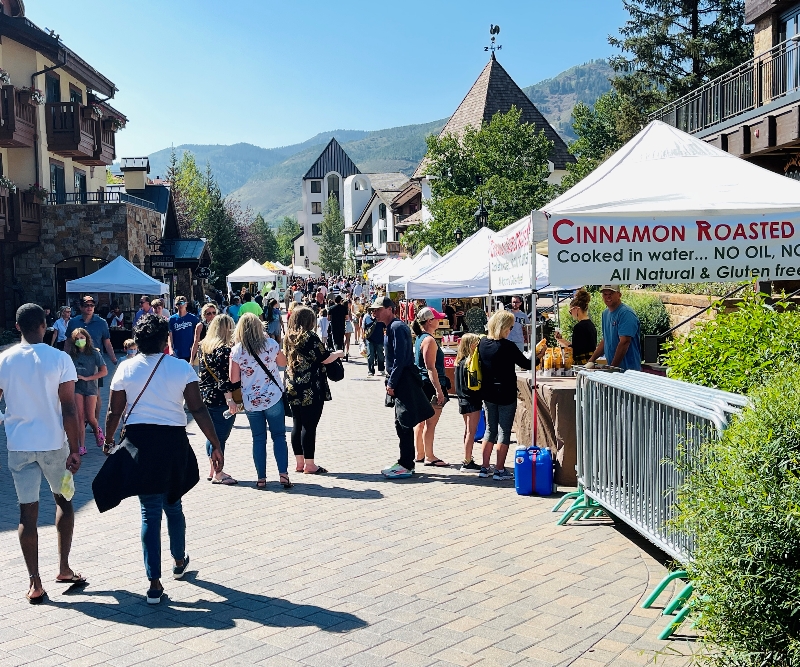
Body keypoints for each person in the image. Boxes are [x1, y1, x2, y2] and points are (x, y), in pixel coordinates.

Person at [97, 314, 223, 604]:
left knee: (149, 513)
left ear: (138, 342)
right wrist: (214, 444)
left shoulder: (125, 369)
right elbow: (198, 409)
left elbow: (114, 411)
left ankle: (154, 583)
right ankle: (179, 560)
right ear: (166, 340)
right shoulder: (180, 368)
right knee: (174, 504)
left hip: (141, 444)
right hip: (173, 444)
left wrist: (109, 439)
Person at [0, 304, 85, 604]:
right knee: (64, 500)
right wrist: (75, 449)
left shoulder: (4, 360)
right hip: (53, 444)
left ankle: (34, 583)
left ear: (17, 326)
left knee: (27, 513)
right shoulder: (59, 358)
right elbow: (69, 407)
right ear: (44, 324)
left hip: (19, 445)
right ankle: (63, 568)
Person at [372, 297, 434, 478]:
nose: (374, 313)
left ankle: (406, 464)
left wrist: (392, 382)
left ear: (390, 309)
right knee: (401, 422)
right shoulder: (391, 327)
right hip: (400, 378)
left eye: (378, 309)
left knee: (404, 422)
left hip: (404, 379)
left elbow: (401, 358)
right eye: (373, 310)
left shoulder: (397, 327)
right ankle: (404, 461)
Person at [229, 313, 291, 489]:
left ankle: (261, 478)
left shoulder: (237, 350)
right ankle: (283, 475)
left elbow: (233, 379)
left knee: (258, 438)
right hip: (273, 397)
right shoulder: (270, 345)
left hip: (251, 401)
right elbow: (283, 362)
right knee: (279, 436)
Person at [284, 306, 343, 475]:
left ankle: (299, 462)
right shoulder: (310, 336)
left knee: (297, 423)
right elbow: (324, 358)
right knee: (310, 426)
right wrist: (338, 354)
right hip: (311, 386)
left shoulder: (288, 337)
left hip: (292, 385)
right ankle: (310, 464)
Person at [478, 310, 532, 480]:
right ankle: (500, 469)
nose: (511, 329)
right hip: (506, 392)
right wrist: (538, 354)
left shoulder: (483, 343)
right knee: (504, 431)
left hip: (488, 392)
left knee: (490, 430)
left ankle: (485, 467)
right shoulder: (508, 346)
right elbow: (526, 364)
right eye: (510, 326)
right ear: (504, 327)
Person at [198, 314, 239, 485]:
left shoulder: (205, 348)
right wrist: (230, 399)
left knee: (211, 435)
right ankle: (219, 472)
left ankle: (213, 468)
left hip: (206, 397)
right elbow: (224, 377)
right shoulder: (224, 350)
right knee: (219, 436)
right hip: (221, 399)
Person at [66, 295, 118, 427]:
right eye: (86, 305)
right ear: (81, 307)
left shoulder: (101, 322)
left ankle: (94, 420)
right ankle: (82, 418)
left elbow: (106, 341)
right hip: (77, 360)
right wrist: (64, 358)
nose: (89, 308)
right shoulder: (73, 322)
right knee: (77, 391)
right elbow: (68, 342)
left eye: (92, 305)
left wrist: (113, 358)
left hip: (94, 361)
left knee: (95, 393)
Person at [412, 307, 449, 467]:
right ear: (429, 321)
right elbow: (430, 367)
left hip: (422, 384)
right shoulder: (429, 340)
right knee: (430, 423)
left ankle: (420, 454)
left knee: (420, 422)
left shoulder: (420, 338)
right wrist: (439, 390)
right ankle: (429, 455)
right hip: (430, 385)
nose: (439, 321)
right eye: (437, 318)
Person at [65, 328, 108, 455]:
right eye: (77, 339)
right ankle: (81, 446)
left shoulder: (94, 353)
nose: (80, 341)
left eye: (82, 338)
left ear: (87, 338)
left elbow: (104, 371)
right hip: (77, 388)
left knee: (90, 417)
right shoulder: (71, 355)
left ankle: (97, 430)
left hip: (90, 387)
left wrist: (87, 378)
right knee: (80, 417)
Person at [586, 285, 642, 371]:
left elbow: (624, 342)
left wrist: (612, 367)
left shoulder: (626, 313)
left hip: (629, 371)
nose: (608, 296)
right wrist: (591, 360)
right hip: (615, 372)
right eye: (605, 294)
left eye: (611, 293)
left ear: (619, 295)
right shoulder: (605, 314)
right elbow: (606, 340)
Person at [454, 334, 483, 472]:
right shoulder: (470, 362)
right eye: (476, 343)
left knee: (467, 431)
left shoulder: (458, 362)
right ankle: (467, 461)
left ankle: (467, 457)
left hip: (462, 399)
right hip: (472, 399)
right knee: (472, 431)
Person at [555, 288, 597, 365]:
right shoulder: (591, 325)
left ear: (576, 309)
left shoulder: (579, 327)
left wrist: (561, 341)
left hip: (582, 364)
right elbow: (578, 346)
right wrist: (561, 340)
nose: (571, 314)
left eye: (570, 311)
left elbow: (574, 349)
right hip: (590, 363)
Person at [168, 296, 199, 362]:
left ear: (186, 304)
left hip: (190, 352)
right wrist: (170, 348)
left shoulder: (193, 318)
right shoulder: (172, 319)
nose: (180, 305)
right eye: (178, 304)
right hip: (177, 352)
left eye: (182, 303)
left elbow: (197, 335)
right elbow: (170, 335)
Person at [363, 306, 385, 376]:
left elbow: (385, 328)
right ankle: (371, 370)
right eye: (374, 311)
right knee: (370, 355)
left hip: (379, 339)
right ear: (371, 312)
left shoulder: (381, 319)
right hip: (369, 340)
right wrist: (363, 338)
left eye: (376, 311)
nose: (375, 312)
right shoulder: (367, 318)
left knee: (380, 355)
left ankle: (381, 369)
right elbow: (364, 329)